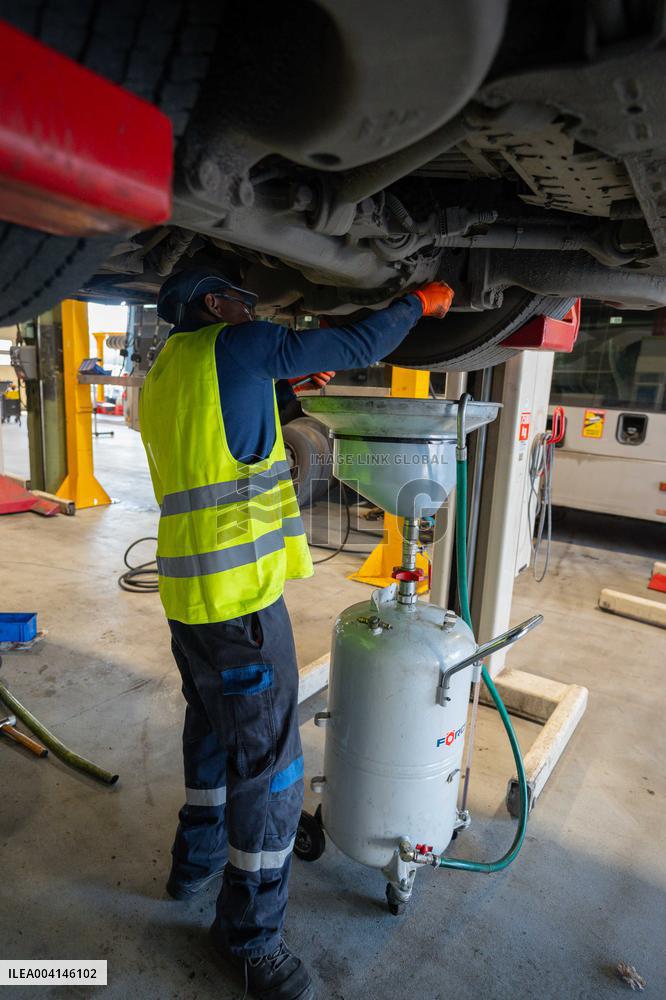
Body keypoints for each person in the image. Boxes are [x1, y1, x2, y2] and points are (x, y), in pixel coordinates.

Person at [139, 267, 454, 999]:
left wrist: (284, 388)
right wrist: (418, 302)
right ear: (215, 304)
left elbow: (231, 434)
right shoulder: (240, 345)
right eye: (243, 300)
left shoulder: (168, 370)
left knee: (215, 733)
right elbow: (355, 340)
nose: (254, 310)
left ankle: (195, 863)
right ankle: (248, 940)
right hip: (243, 602)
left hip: (191, 598)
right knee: (274, 771)